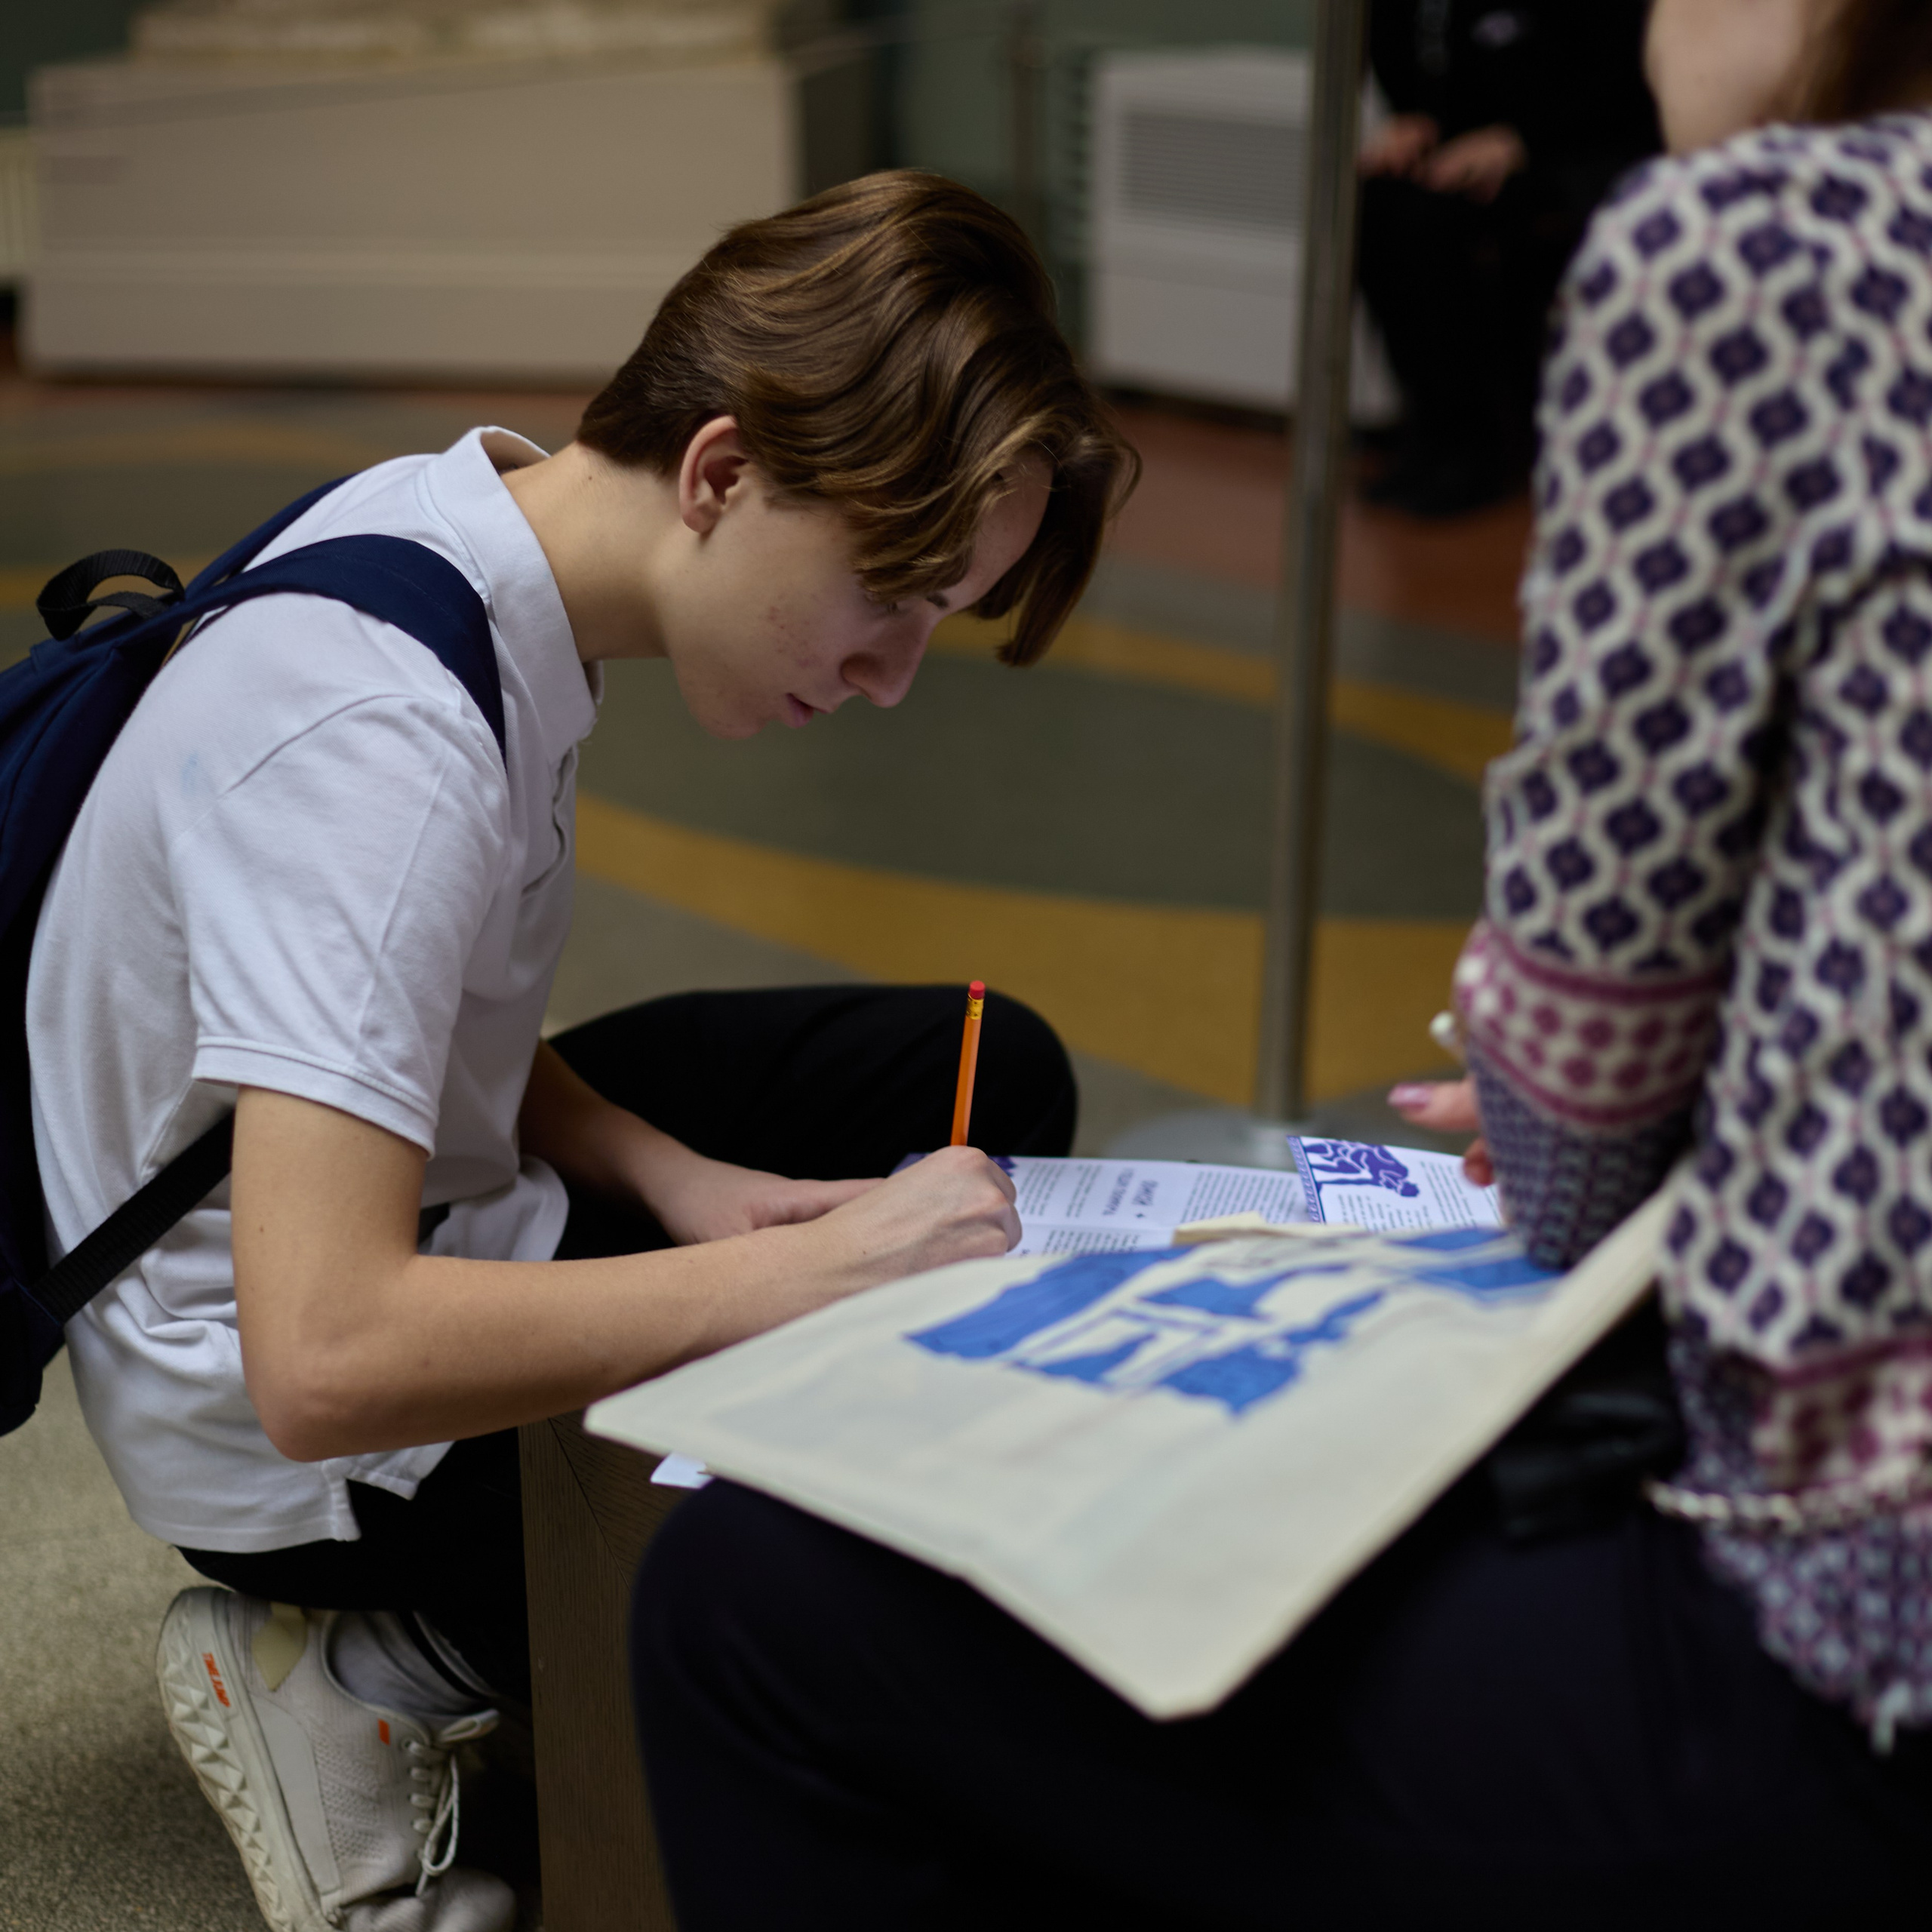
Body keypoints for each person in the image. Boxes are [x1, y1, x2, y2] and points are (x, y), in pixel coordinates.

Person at [626, 6, 1932, 1927]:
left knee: (748, 1603)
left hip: (1840, 1648)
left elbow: (1576, 1094)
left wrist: (1550, 1077)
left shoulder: (1755, 250)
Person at [42, 171, 1134, 1931]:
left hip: (365, 1219)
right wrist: (806, 1279)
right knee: (880, 1511)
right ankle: (374, 1642)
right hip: (297, 1435)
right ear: (719, 473)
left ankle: (515, 1604)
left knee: (974, 1073)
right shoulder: (382, 736)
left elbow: (405, 1012)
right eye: (891, 592)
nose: (890, 676)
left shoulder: (463, 538)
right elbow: (325, 1350)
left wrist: (673, 1174)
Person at [1357, 0, 1659, 517]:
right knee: (1380, 203)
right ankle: (1429, 427)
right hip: (1460, 146)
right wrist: (1412, 118)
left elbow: (1622, 81)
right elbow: (1401, 47)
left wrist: (1521, 139)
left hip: (1575, 148)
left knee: (1440, 223)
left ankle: (1478, 446)